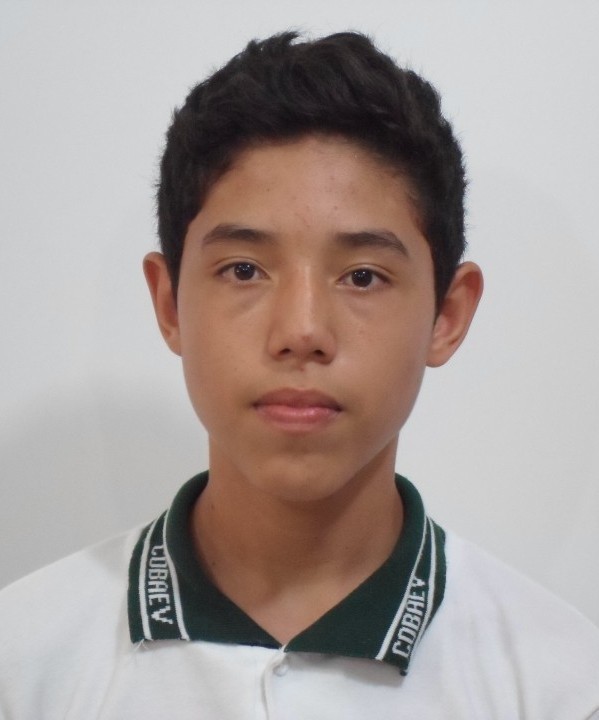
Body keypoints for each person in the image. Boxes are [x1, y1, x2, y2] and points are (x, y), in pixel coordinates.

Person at [1, 30, 598, 719]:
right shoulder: (23, 665)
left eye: (363, 276)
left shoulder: (560, 687)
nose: (301, 331)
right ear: (169, 304)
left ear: (447, 315)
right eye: (244, 270)